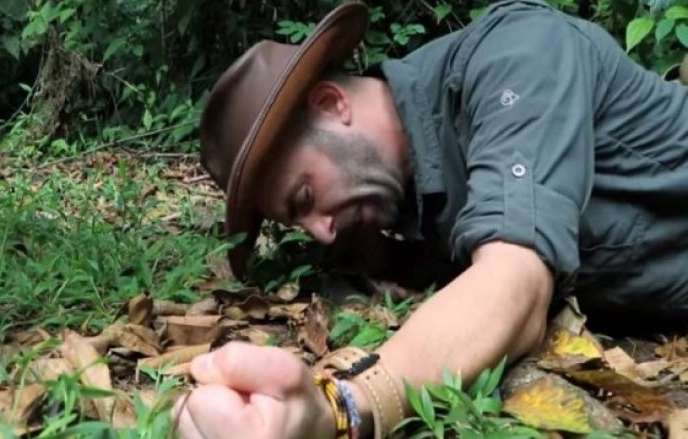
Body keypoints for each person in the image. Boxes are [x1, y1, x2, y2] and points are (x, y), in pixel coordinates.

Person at [172, 1, 688, 438]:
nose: (321, 231)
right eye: (297, 223)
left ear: (331, 104)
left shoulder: (516, 56)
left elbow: (515, 277)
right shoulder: (395, 200)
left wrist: (341, 406)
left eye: (305, 197)